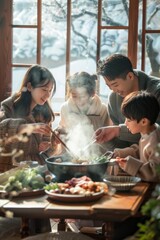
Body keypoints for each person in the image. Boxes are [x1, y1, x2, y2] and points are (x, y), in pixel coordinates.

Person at [94, 53, 160, 148]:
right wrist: (104, 140)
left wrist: (119, 131)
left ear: (130, 76)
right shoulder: (114, 98)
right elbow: (121, 143)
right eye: (109, 86)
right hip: (132, 157)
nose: (113, 90)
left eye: (115, 85)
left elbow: (156, 132)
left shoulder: (157, 92)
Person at [0, 64, 56, 166]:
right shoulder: (8, 106)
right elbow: (1, 131)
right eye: (44, 89)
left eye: (50, 90)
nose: (48, 95)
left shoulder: (45, 113)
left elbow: (46, 156)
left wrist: (51, 146)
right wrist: (24, 127)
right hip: (9, 171)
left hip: (35, 172)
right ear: (30, 87)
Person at [57, 71, 114, 158]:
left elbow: (107, 138)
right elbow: (63, 135)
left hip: (97, 156)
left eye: (82, 96)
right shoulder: (65, 108)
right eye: (74, 96)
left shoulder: (102, 110)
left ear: (92, 94)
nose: (78, 100)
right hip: (71, 155)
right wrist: (59, 133)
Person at [114, 91, 160, 182]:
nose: (125, 123)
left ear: (144, 122)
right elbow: (142, 151)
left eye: (129, 120)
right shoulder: (148, 131)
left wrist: (130, 165)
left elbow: (155, 172)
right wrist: (121, 153)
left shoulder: (156, 141)